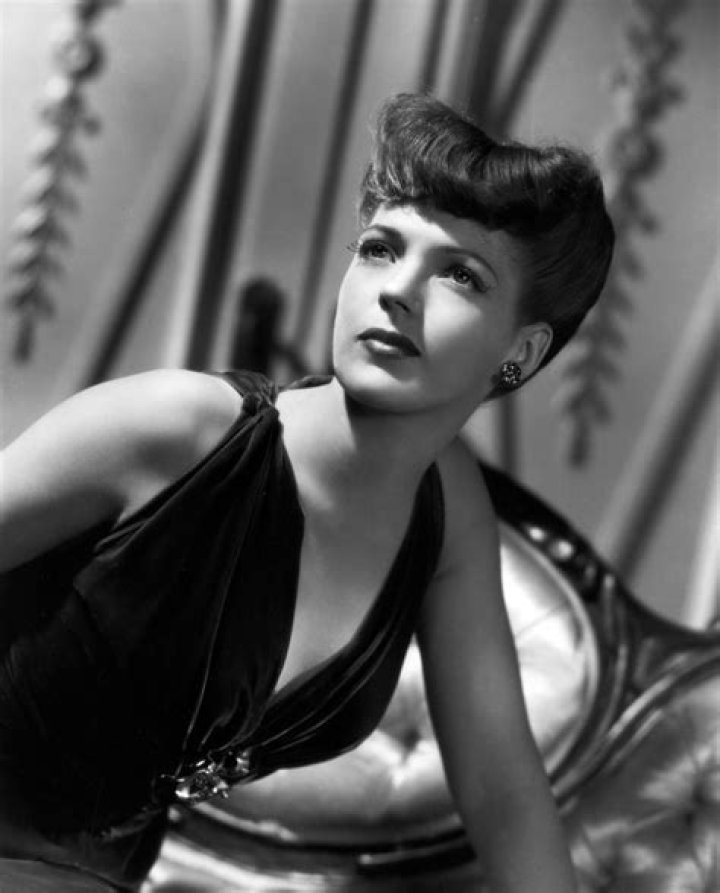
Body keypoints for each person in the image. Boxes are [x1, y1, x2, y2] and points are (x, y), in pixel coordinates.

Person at [0, 92, 614, 891]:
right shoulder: (175, 428)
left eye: (460, 275)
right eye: (380, 249)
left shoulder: (446, 511)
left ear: (522, 352)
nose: (397, 290)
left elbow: (504, 793)